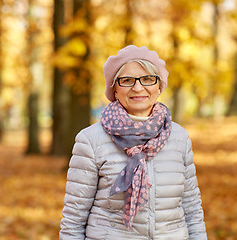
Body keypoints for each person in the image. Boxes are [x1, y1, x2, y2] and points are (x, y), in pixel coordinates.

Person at [59, 45, 207, 240]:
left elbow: (192, 208)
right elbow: (73, 218)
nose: (138, 88)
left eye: (147, 79)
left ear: (159, 86)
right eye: (127, 80)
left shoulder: (179, 137)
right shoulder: (90, 140)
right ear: (115, 89)